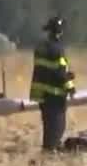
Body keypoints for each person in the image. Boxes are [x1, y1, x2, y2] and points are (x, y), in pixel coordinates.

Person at [30, 16, 75, 152]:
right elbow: (61, 73)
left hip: (42, 95)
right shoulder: (58, 49)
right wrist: (71, 87)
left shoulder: (40, 48)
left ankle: (47, 149)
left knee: (48, 125)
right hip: (55, 95)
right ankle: (51, 151)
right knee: (57, 126)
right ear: (60, 32)